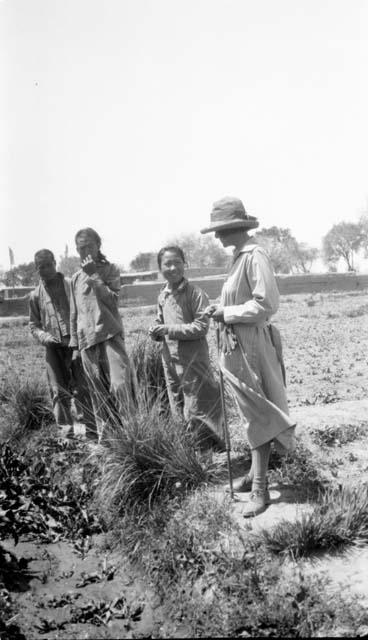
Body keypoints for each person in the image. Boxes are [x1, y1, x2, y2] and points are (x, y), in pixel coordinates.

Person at [202, 197, 296, 517]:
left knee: (256, 411)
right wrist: (221, 310)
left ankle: (261, 489)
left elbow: (266, 303)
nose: (217, 236)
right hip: (237, 342)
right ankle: (256, 474)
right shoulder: (239, 257)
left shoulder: (255, 256)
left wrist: (227, 313)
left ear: (235, 227)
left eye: (220, 230)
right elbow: (240, 299)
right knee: (250, 411)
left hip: (250, 342)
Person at [149, 245, 225, 452]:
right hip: (170, 359)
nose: (173, 268)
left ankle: (208, 449)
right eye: (167, 264)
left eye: (177, 262)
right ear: (160, 268)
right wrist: (156, 331)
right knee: (177, 401)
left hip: (193, 358)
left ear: (185, 264)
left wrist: (167, 329)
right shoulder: (162, 296)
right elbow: (160, 321)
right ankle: (187, 448)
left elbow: (201, 328)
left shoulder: (195, 294)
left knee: (197, 403)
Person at [70, 228, 135, 441]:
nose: (85, 251)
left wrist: (94, 275)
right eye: (81, 248)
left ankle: (134, 435)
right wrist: (75, 345)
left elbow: (113, 301)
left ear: (99, 245)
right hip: (87, 341)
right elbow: (74, 312)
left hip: (109, 335)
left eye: (89, 246)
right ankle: (111, 443)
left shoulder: (110, 270)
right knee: (99, 394)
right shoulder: (75, 279)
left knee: (120, 386)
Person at [29, 249, 96, 437]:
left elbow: (83, 313)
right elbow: (33, 325)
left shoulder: (70, 285)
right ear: (36, 269)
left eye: (49, 264)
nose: (46, 269)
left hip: (75, 346)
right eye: (41, 267)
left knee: (82, 389)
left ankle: (84, 433)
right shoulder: (35, 295)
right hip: (52, 349)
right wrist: (44, 337)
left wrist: (76, 342)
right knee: (58, 391)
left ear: (55, 262)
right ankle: (66, 436)